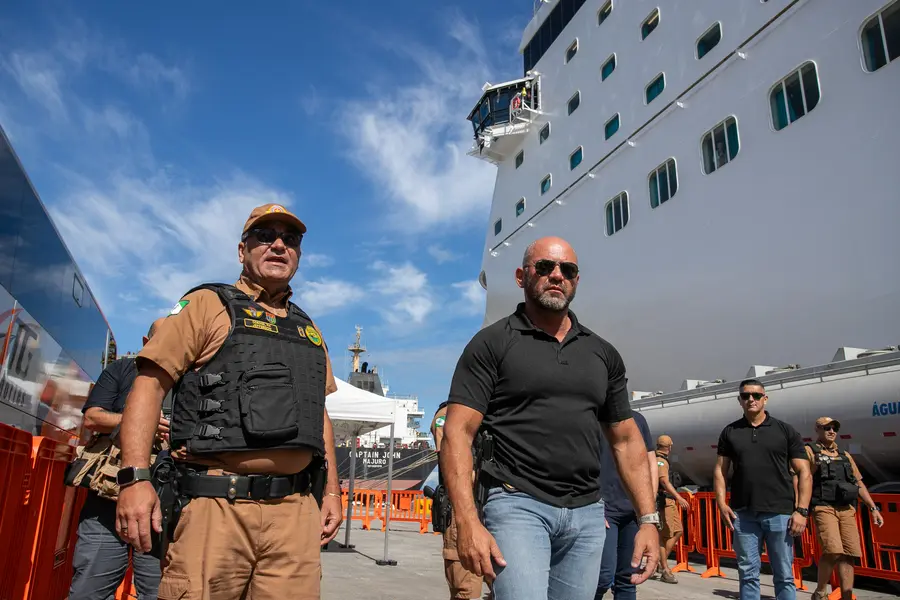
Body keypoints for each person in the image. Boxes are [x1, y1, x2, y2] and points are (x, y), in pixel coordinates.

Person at [115, 203, 344, 600]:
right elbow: (149, 385)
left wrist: (331, 494)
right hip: (214, 506)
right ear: (243, 251)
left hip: (294, 513)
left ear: (299, 254)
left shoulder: (309, 330)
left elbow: (318, 414)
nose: (278, 246)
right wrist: (134, 479)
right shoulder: (206, 305)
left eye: (289, 240)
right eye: (265, 236)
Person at [441, 236, 659, 600]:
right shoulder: (492, 343)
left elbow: (626, 440)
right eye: (544, 267)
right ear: (521, 276)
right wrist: (467, 521)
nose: (557, 275)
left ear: (576, 279)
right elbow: (457, 434)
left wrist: (648, 520)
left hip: (588, 514)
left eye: (567, 269)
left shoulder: (602, 354)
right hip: (516, 505)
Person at [68, 318, 168, 600]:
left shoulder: (191, 380)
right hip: (107, 502)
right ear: (145, 343)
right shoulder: (122, 369)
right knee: (90, 591)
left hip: (164, 509)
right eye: (162, 340)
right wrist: (137, 420)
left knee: (161, 593)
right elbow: (92, 417)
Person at [713, 378, 812, 600]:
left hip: (780, 513)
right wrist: (721, 503)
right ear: (739, 400)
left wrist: (802, 510)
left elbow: (804, 472)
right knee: (747, 573)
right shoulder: (730, 432)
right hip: (744, 514)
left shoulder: (785, 430)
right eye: (745, 396)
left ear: (765, 398)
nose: (751, 399)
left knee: (784, 575)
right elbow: (720, 470)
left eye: (756, 395)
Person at [806, 417, 884, 600]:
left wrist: (873, 508)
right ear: (817, 429)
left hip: (846, 508)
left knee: (849, 553)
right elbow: (803, 479)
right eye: (827, 428)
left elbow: (858, 482)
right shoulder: (810, 452)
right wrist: (800, 508)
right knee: (833, 550)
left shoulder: (845, 456)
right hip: (824, 507)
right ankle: (820, 591)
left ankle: (847, 596)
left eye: (834, 428)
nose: (831, 431)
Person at [595, 410, 658, 600]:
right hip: (603, 511)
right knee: (602, 577)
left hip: (632, 513)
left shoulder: (637, 420)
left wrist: (647, 507)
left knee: (629, 578)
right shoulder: (592, 417)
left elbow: (651, 462)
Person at [431, 401, 487, 600]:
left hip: (494, 505)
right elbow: (452, 456)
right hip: (462, 508)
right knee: (466, 590)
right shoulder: (448, 414)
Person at [655, 434, 690, 585]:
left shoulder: (660, 459)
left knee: (677, 531)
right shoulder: (661, 461)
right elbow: (663, 481)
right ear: (669, 447)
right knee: (665, 536)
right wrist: (679, 497)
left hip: (668, 500)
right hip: (665, 500)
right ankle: (664, 568)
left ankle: (658, 562)